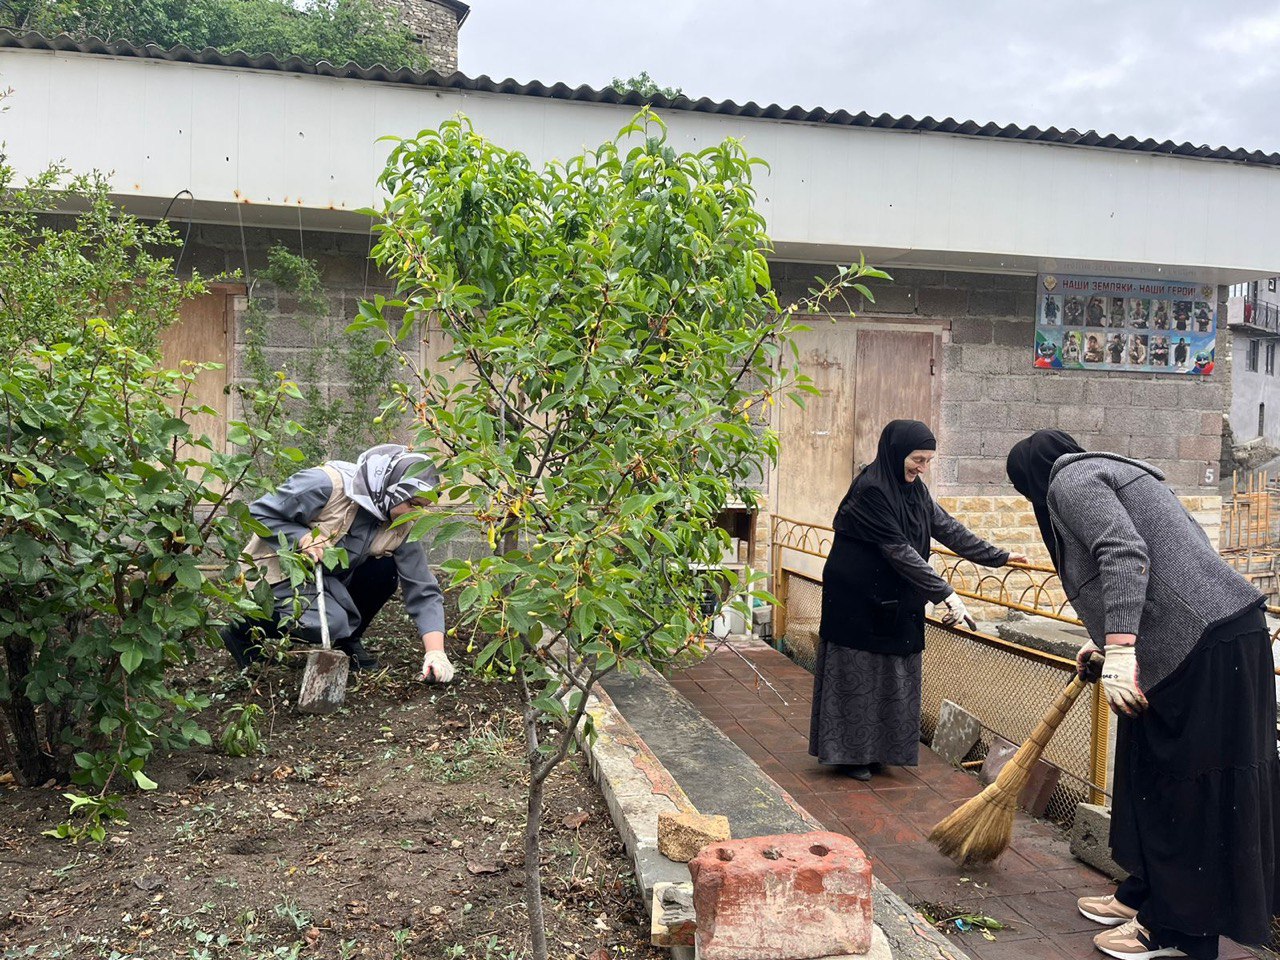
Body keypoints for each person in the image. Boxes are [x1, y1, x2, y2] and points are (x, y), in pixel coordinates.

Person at [1006, 431, 1280, 960]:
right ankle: (1145, 897)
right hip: (1220, 636)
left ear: (1031, 480)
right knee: (1148, 773)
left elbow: (1123, 550)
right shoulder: (1122, 470)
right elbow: (1175, 551)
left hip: (1201, 650)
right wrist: (1106, 635)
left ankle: (1176, 931)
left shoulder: (1069, 480)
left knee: (1189, 787)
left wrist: (1124, 646)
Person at [809, 420, 1027, 781]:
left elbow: (946, 526)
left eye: (927, 461)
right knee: (859, 671)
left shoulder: (914, 490)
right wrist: (947, 595)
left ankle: (880, 750)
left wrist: (998, 556)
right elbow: (898, 551)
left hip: (895, 594)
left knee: (894, 671)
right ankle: (850, 757)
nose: (922, 468)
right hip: (857, 599)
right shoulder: (872, 490)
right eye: (918, 459)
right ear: (896, 453)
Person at [222, 443, 453, 683]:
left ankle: (347, 641)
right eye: (414, 504)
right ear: (395, 488)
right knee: (333, 622)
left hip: (330, 579)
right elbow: (257, 513)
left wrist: (435, 653)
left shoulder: (400, 523)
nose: (416, 514)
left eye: (422, 509)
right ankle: (243, 629)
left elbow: (422, 587)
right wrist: (301, 537)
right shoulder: (327, 485)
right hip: (278, 575)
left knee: (385, 571)